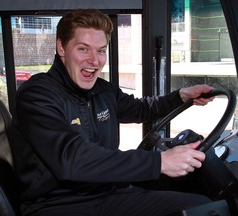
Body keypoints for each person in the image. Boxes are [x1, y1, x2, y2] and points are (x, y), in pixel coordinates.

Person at [11, 9, 215, 216]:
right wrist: (160, 162)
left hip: (105, 189)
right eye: (83, 49)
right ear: (61, 48)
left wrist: (181, 95)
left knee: (191, 187)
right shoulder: (37, 95)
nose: (94, 60)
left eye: (101, 51)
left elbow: (142, 108)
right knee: (201, 208)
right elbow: (72, 158)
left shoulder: (102, 90)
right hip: (60, 204)